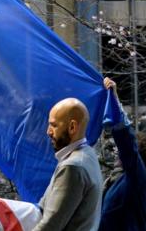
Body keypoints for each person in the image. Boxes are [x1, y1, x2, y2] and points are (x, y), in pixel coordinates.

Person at [99, 78, 146, 231]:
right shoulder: (120, 179)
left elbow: (126, 141)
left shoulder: (137, 177)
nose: (118, 153)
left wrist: (115, 101)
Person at [33, 98, 103, 231]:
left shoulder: (72, 167)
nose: (48, 132)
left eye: (53, 125)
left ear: (72, 127)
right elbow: (43, 207)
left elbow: (50, 226)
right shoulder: (88, 155)